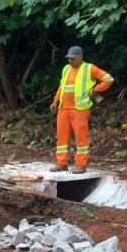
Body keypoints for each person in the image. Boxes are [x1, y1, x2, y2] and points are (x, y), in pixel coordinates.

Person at [50, 46, 114, 174]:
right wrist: (55, 100)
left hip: (80, 109)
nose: (70, 61)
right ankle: (61, 163)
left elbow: (108, 79)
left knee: (81, 138)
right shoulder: (66, 69)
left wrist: (95, 90)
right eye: (68, 58)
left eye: (73, 58)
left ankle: (81, 165)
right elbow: (62, 86)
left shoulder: (89, 68)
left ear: (80, 57)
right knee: (61, 138)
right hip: (63, 108)